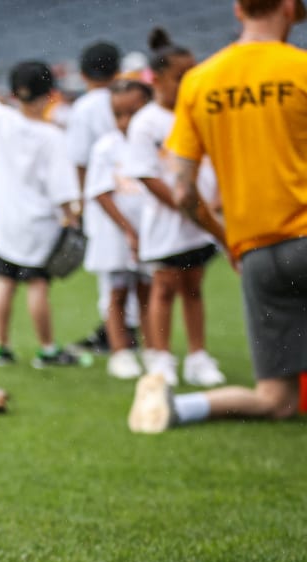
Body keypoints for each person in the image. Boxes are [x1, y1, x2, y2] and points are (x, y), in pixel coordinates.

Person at [129, 0, 307, 433]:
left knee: (276, 398)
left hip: (258, 253)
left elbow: (184, 190)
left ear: (237, 10)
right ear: (287, 8)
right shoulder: (299, 67)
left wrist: (228, 239)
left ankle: (177, 407)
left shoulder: (201, 81)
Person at [0, 47, 84, 369]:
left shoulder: (2, 119)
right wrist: (72, 217)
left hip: (7, 220)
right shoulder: (52, 137)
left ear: (15, 93)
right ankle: (47, 350)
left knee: (4, 282)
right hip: (40, 225)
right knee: (37, 284)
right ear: (51, 95)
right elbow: (63, 191)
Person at [121, 28, 226, 388]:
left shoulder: (198, 113)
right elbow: (146, 175)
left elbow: (214, 163)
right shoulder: (147, 121)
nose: (188, 83)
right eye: (182, 77)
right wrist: (185, 206)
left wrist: (210, 203)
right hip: (167, 221)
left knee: (194, 286)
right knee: (164, 288)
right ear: (158, 78)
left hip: (199, 219)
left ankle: (198, 356)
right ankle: (161, 358)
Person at [67, 41, 140, 356]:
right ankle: (132, 329)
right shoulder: (133, 97)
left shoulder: (84, 107)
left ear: (83, 73)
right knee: (137, 267)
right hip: (135, 190)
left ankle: (114, 334)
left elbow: (80, 160)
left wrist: (79, 203)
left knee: (110, 271)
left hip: (103, 193)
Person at [82, 79, 155, 379]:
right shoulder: (107, 146)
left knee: (149, 291)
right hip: (116, 234)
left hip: (150, 232)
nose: (125, 121)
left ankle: (153, 350)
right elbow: (100, 191)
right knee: (117, 291)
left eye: (133, 112)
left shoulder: (154, 142)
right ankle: (120, 350)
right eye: (118, 114)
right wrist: (129, 230)